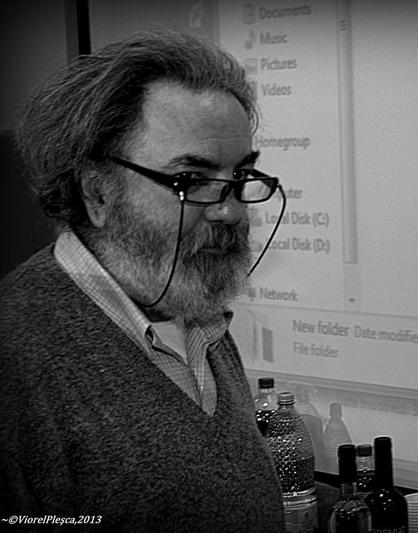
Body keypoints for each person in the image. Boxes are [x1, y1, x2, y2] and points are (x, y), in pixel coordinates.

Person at [0, 29, 286, 530]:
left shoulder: (193, 306)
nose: (231, 210)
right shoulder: (15, 354)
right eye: (191, 180)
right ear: (98, 192)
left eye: (240, 177)